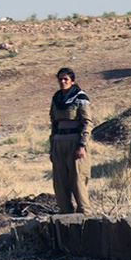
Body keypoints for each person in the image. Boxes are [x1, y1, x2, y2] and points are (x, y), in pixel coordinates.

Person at [50, 67, 91, 214]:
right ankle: (65, 213)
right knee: (60, 180)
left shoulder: (80, 97)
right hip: (58, 142)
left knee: (78, 179)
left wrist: (82, 144)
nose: (62, 81)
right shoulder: (56, 98)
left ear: (72, 81)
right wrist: (52, 147)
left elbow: (87, 122)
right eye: (60, 79)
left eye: (66, 79)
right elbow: (54, 123)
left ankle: (84, 214)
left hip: (75, 142)